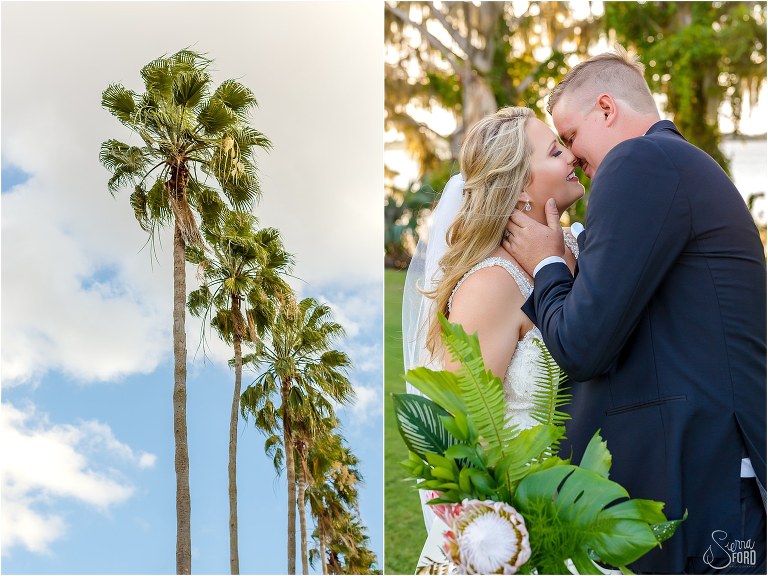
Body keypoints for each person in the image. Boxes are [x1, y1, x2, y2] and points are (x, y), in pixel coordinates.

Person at [503, 45, 766, 574]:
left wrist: (548, 265)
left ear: (607, 108)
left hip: (698, 484)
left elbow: (582, 344)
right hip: (708, 479)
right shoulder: (678, 166)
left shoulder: (639, 160)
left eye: (572, 138)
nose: (573, 158)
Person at [402, 106, 584, 569]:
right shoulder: (493, 284)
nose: (573, 156)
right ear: (521, 185)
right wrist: (498, 540)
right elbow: (458, 433)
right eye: (555, 150)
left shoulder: (579, 252)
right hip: (515, 531)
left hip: (577, 509)